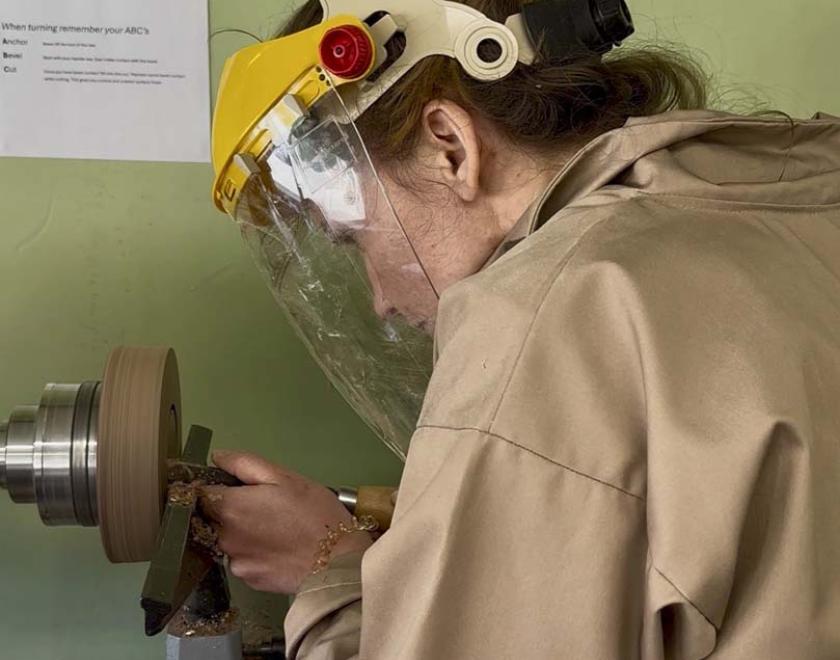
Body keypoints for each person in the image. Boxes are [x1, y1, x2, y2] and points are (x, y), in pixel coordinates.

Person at [201, 0, 840, 657]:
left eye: (354, 237)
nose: (380, 302)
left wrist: (326, 566)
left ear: (451, 147)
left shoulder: (546, 315)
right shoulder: (798, 196)